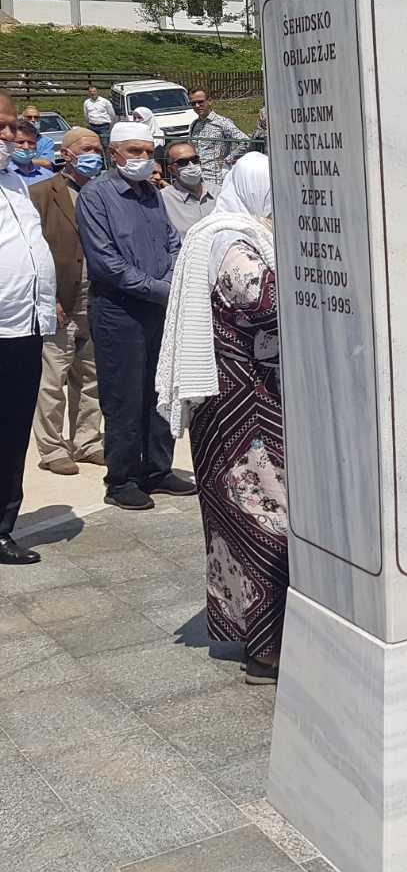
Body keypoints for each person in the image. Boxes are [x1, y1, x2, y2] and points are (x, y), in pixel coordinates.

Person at [155, 153, 285, 684]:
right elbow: (260, 300)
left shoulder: (222, 230)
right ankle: (266, 647)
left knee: (241, 514)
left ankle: (257, 634)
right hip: (242, 401)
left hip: (233, 397)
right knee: (263, 517)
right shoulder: (234, 238)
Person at [76, 119, 193, 510]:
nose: (142, 159)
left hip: (158, 308)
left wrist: (174, 278)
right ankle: (122, 477)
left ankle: (157, 469)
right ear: (115, 154)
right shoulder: (97, 196)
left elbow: (172, 241)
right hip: (118, 309)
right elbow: (106, 261)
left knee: (159, 389)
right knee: (124, 395)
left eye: (148, 151)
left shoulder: (152, 194)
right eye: (134, 152)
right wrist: (160, 288)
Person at [29, 127, 104, 476]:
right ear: (68, 153)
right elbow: (35, 250)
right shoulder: (42, 194)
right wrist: (48, 297)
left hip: (98, 299)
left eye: (99, 149)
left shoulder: (104, 192)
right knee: (53, 376)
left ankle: (87, 441)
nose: (95, 155)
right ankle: (52, 447)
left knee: (91, 376)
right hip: (61, 299)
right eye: (88, 148)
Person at [0, 98, 55, 565]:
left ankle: (3, 524)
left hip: (25, 324)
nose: (7, 134)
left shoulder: (16, 184)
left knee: (13, 428)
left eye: (9, 125)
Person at [186, 90, 249, 186]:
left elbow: (245, 141)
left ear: (209, 101)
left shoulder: (222, 122)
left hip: (217, 178)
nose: (197, 106)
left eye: (200, 102)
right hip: (197, 177)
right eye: (193, 103)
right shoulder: (194, 125)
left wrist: (227, 160)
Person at [159, 141, 218, 237]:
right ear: (171, 170)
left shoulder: (219, 193)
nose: (191, 165)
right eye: (183, 162)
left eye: (194, 160)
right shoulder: (163, 200)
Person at [9, 120, 54, 184]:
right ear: (9, 143)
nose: (26, 147)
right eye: (20, 142)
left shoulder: (48, 176)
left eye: (31, 143)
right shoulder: (3, 176)